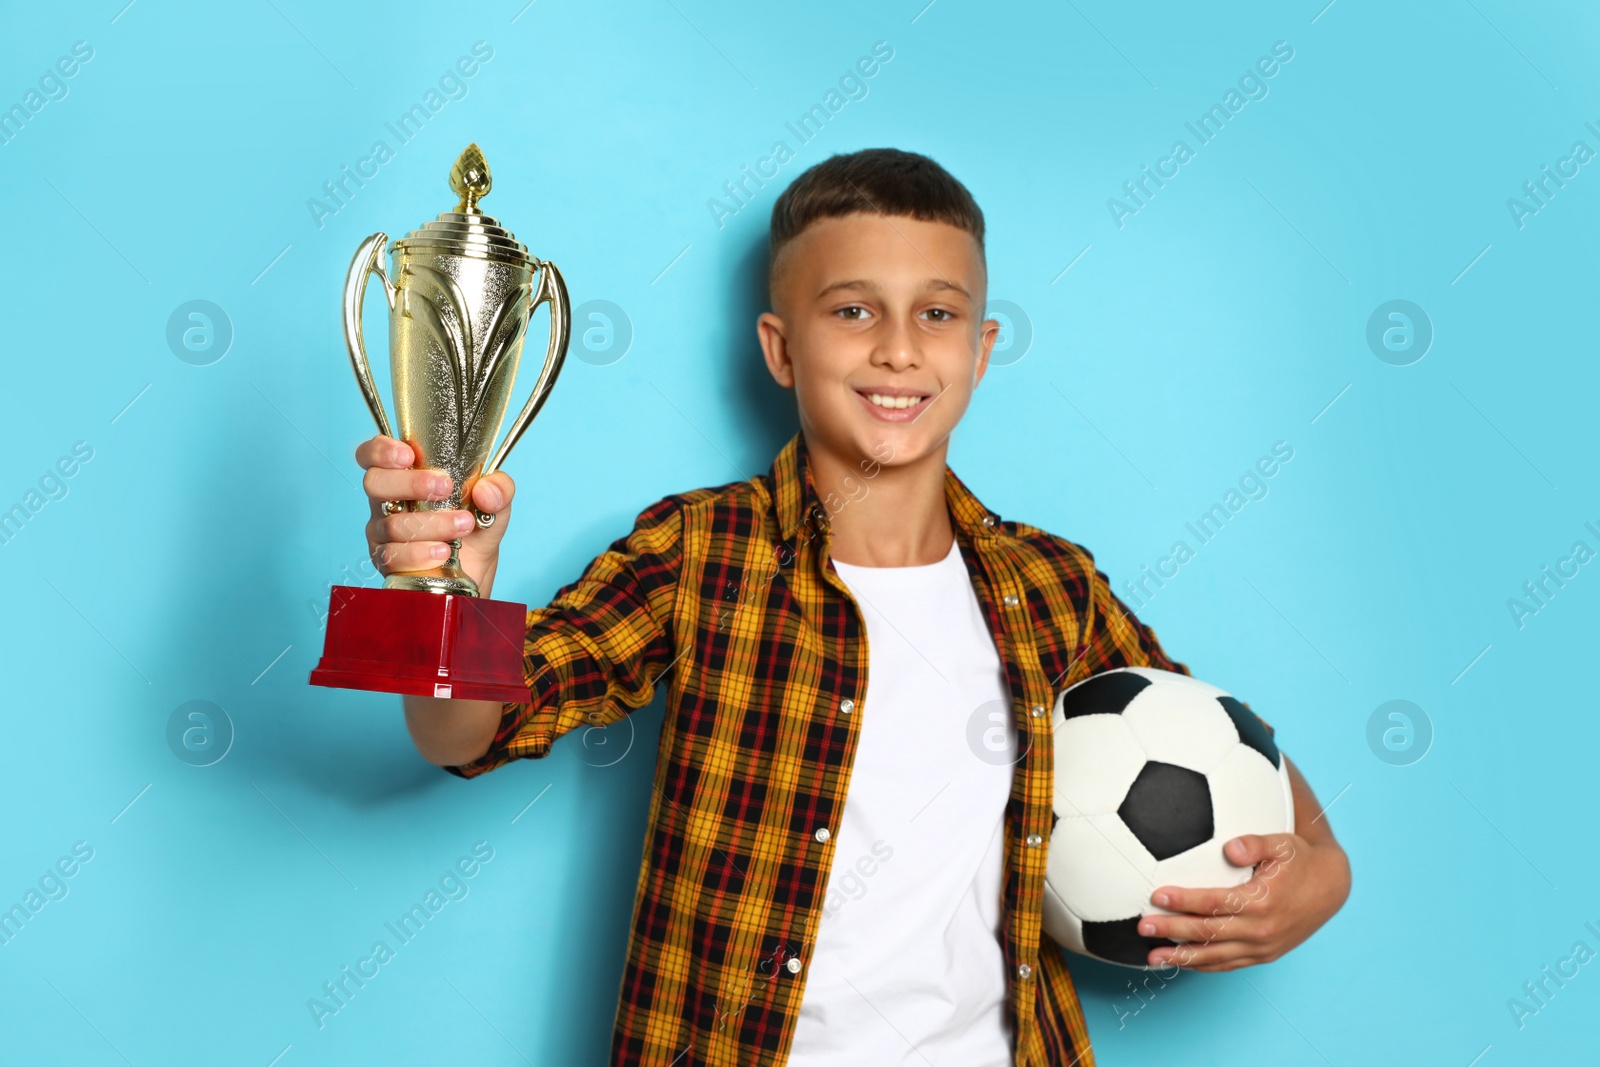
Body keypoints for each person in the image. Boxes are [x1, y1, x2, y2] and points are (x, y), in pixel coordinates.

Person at [354, 148, 1351, 1067]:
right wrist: (441, 594)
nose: (899, 350)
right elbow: (464, 735)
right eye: (852, 310)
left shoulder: (1052, 584)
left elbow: (1225, 747)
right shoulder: (699, 551)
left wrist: (1321, 874)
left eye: (937, 312)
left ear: (982, 343)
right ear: (780, 347)